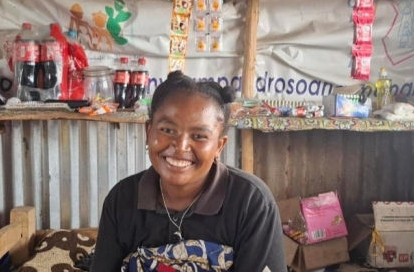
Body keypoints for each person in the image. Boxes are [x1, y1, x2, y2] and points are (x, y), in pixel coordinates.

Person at [90, 71, 286, 272]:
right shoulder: (122, 199)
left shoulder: (251, 203)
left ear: (219, 146)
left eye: (199, 136)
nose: (181, 146)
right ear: (148, 132)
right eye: (167, 130)